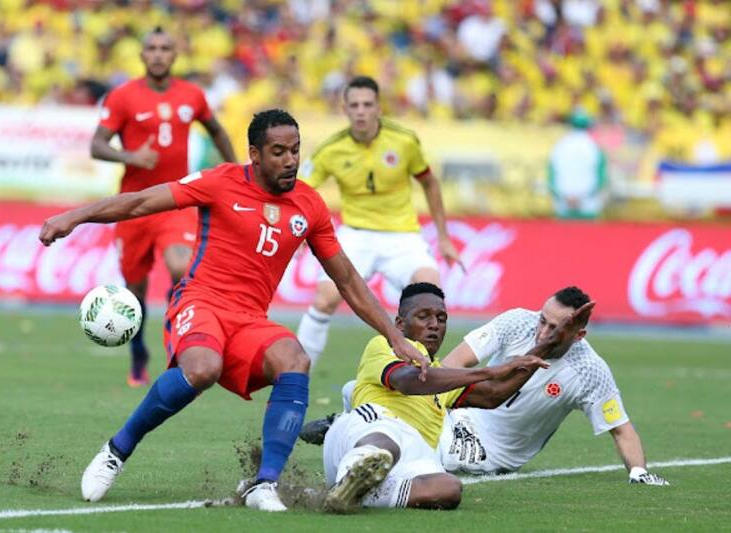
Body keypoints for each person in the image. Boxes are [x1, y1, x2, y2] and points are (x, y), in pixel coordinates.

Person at [39, 109, 429, 513]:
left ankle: (263, 484)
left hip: (249, 319)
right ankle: (117, 451)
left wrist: (394, 337)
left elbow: (348, 279)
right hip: (200, 300)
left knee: (294, 360)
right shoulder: (219, 181)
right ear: (255, 155)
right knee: (202, 368)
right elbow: (141, 203)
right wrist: (74, 217)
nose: (290, 160)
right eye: (279, 152)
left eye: (295, 150)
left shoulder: (309, 205)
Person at [321, 282, 592, 513]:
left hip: (414, 453)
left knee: (448, 489)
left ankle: (356, 493)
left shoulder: (444, 375)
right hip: (371, 427)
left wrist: (547, 345)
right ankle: (353, 473)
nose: (434, 325)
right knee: (385, 443)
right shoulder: (386, 345)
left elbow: (494, 395)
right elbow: (409, 381)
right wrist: (489, 370)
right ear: (400, 324)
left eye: (441, 318)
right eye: (424, 316)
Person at [91, 27, 237, 387]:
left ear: (175, 55)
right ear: (142, 55)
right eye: (152, 48)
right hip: (132, 207)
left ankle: (179, 346)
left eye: (165, 48)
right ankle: (138, 349)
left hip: (175, 200)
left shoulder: (192, 95)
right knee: (135, 292)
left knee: (179, 267)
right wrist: (130, 155)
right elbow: (97, 145)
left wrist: (236, 172)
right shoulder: (123, 96)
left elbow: (216, 129)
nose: (158, 54)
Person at [297, 75, 462, 368]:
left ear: (378, 108)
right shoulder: (330, 150)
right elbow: (301, 193)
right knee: (324, 299)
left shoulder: (404, 140)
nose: (361, 110)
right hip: (356, 235)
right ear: (345, 109)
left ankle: (424, 375)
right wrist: (296, 233)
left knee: (430, 295)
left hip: (402, 236)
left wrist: (444, 238)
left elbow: (430, 183)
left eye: (367, 104)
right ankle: (295, 375)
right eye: (354, 105)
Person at [438, 286, 669, 485]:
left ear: (578, 335)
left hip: (487, 450)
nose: (542, 333)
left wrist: (639, 472)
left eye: (554, 328)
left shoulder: (589, 370)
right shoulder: (517, 322)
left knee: (412, 445)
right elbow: (451, 364)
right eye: (542, 320)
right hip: (453, 415)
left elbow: (622, 430)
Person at [547, 111, 608, 219]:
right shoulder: (595, 147)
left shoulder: (559, 146)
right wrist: (582, 199)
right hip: (588, 206)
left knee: (562, 236)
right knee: (589, 236)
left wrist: (565, 197)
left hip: (563, 206)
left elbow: (551, 176)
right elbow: (601, 178)